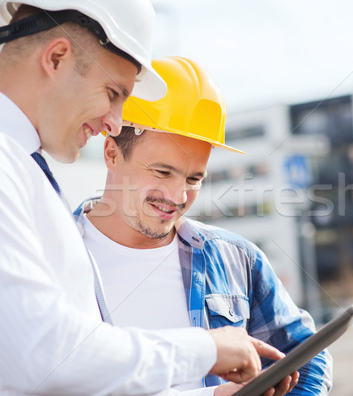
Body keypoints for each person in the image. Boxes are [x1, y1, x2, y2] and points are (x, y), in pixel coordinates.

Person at [0, 0, 283, 395]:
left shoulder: (11, 164)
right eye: (113, 92)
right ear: (58, 57)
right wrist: (205, 349)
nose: (113, 123)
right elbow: (44, 358)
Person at [74, 56, 333, 395]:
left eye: (194, 178)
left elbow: (307, 356)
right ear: (111, 153)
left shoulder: (237, 261)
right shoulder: (52, 254)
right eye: (162, 172)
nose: (177, 196)